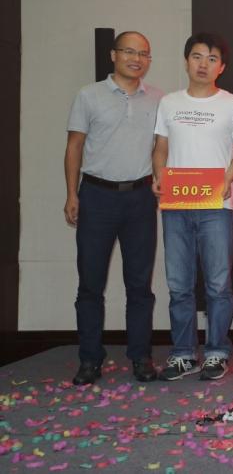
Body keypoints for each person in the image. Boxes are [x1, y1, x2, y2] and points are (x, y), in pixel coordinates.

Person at [64, 31, 163, 385]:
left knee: (140, 285)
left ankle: (141, 357)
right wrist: (71, 194)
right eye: (129, 52)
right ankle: (90, 359)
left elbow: (161, 148)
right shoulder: (88, 95)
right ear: (113, 55)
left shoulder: (159, 99)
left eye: (143, 54)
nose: (136, 59)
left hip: (140, 198)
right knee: (90, 284)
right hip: (97, 196)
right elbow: (74, 146)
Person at [152, 33, 233, 381]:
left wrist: (228, 179)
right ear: (186, 61)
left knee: (218, 284)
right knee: (179, 285)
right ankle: (183, 354)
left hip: (217, 205)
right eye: (197, 56)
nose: (204, 64)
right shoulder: (169, 103)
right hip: (176, 204)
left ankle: (217, 351)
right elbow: (161, 147)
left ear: (222, 67)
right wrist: (158, 175)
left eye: (212, 58)